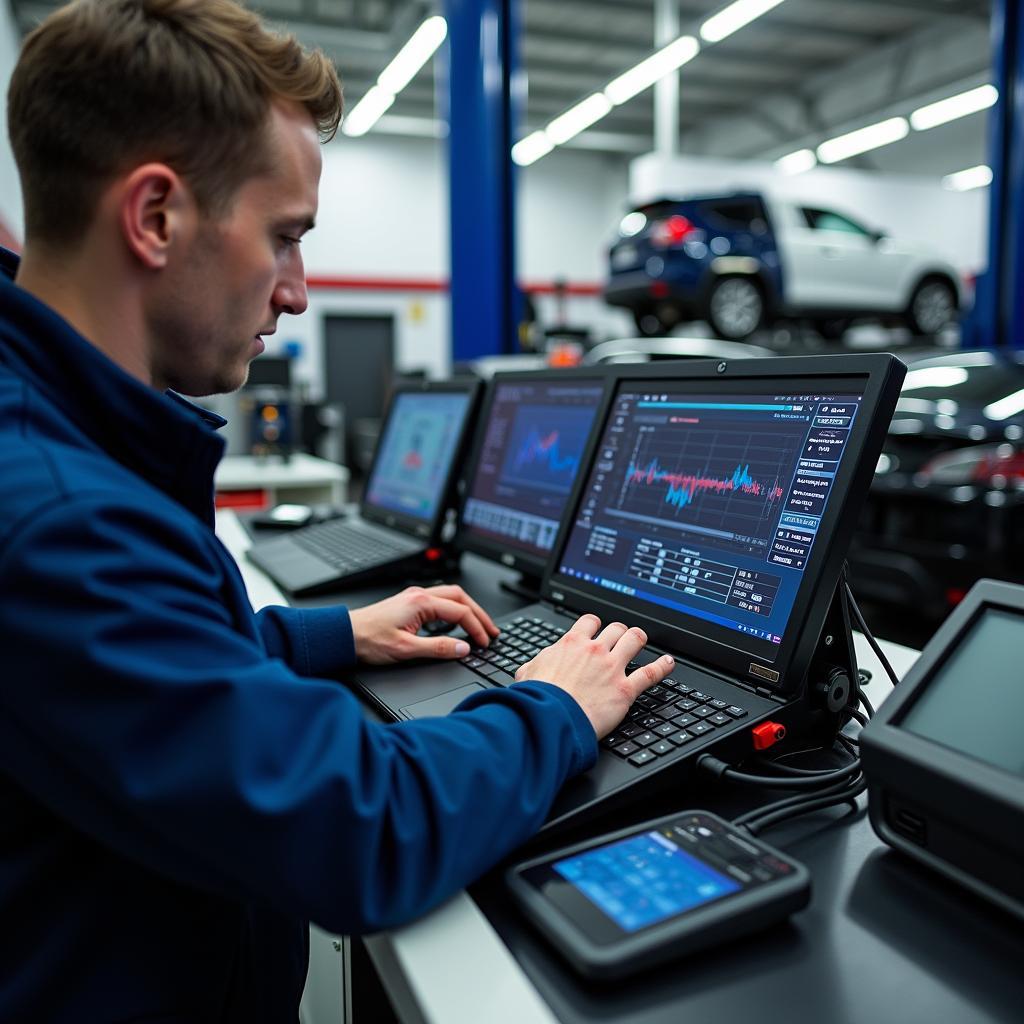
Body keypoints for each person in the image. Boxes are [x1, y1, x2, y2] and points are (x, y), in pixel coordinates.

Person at [0, 0, 675, 1019]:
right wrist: (555, 706)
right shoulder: (58, 516)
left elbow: (149, 681)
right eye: (283, 238)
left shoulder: (57, 436)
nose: (298, 291)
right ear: (154, 217)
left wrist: (335, 633)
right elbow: (361, 830)